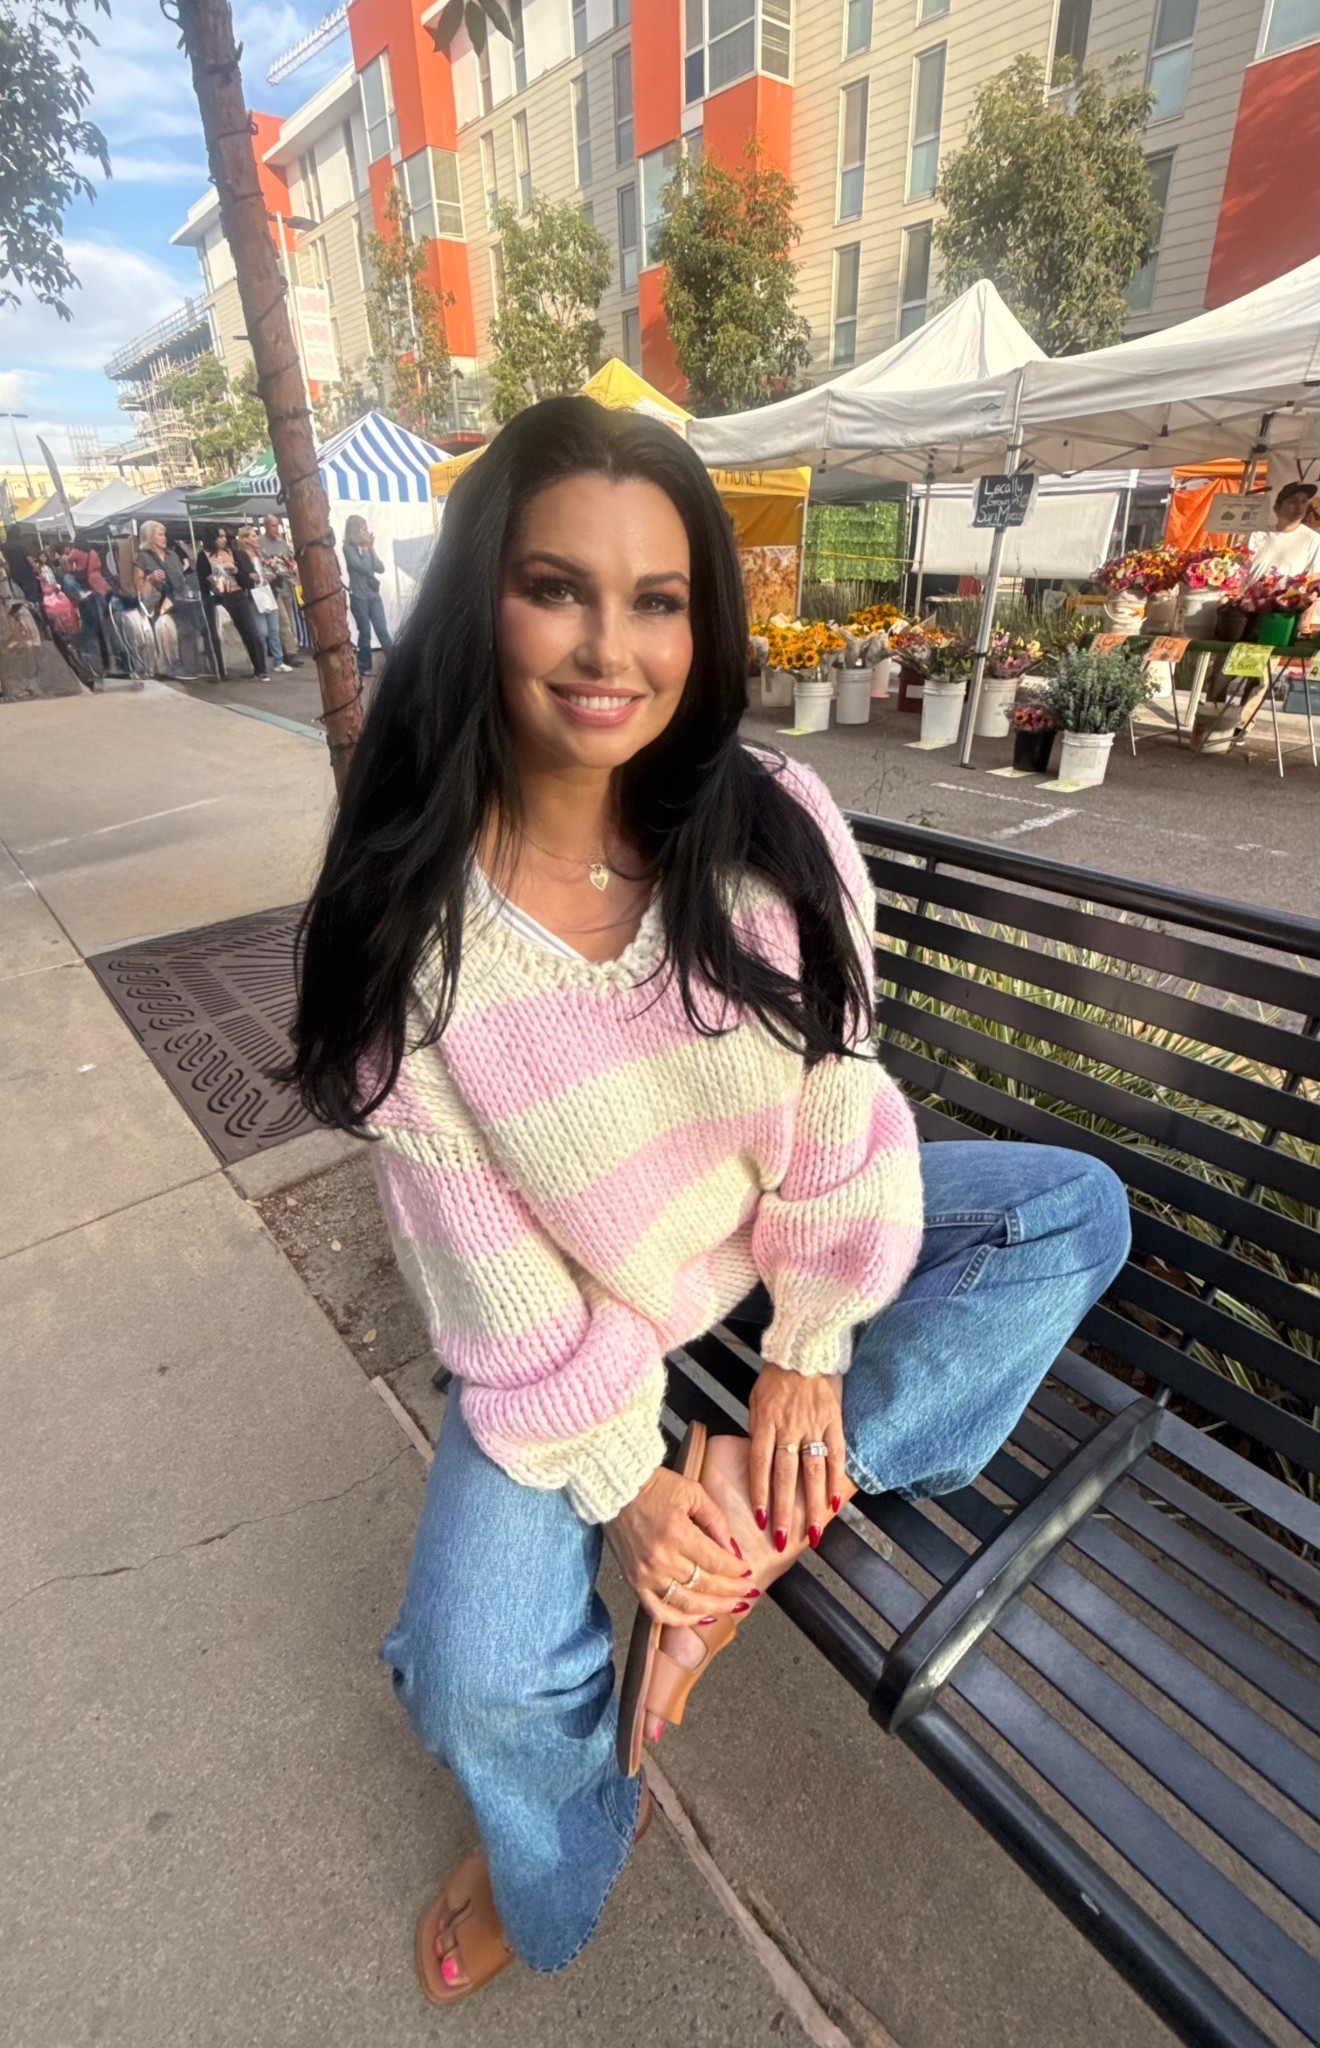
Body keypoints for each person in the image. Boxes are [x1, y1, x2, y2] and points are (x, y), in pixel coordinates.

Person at [284, 397, 1130, 2007]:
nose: (613, 647)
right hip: (573, 1324)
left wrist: (810, 1341)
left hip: (773, 1244)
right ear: (483, 601)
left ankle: (757, 1512)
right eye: (559, 587)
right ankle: (563, 1834)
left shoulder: (771, 827)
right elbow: (491, 1287)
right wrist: (629, 1488)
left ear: (701, 620)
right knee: (474, 1678)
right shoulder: (413, 933)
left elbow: (836, 1099)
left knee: (1070, 1214)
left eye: (657, 599)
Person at [195, 523, 269, 681]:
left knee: (251, 632)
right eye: (219, 536)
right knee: (221, 635)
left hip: (238, 595)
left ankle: (260, 668)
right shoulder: (204, 556)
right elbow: (202, 582)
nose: (223, 540)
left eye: (224, 536)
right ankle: (221, 669)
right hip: (219, 599)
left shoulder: (234, 553)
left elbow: (247, 579)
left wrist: (237, 571)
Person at [134, 520, 205, 679]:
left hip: (180, 600)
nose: (164, 538)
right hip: (158, 603)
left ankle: (191, 664)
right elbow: (138, 586)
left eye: (164, 534)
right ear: (150, 537)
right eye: (160, 534)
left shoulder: (173, 555)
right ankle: (174, 665)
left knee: (191, 625)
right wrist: (150, 578)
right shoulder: (143, 557)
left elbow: (183, 578)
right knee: (172, 627)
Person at [238, 523, 293, 674]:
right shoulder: (242, 556)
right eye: (254, 536)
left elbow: (274, 570)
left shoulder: (262, 553)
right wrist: (250, 577)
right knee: (262, 632)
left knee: (274, 629)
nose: (257, 539)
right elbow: (241, 575)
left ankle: (278, 661)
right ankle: (261, 663)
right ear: (245, 539)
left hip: (269, 592)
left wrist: (274, 574)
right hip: (255, 594)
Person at [342, 513, 391, 678]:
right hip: (359, 596)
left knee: (382, 631)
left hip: (373, 595)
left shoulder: (367, 547)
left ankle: (394, 661)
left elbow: (380, 568)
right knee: (365, 633)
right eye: (363, 528)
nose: (366, 531)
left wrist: (371, 549)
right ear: (355, 530)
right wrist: (365, 549)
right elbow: (362, 567)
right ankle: (364, 665)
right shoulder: (348, 548)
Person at [1244, 481, 1320, 584]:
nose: (1299, 506)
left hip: (1288, 599)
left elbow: (1314, 581)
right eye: (1293, 501)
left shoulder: (1315, 541)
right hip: (1248, 598)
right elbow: (1239, 572)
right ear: (1277, 509)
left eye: (1304, 502)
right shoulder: (1257, 534)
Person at [258, 511, 303, 664]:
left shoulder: (282, 542)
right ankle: (291, 652)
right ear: (265, 526)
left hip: (285, 585)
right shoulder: (260, 542)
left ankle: (283, 651)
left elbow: (290, 561)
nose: (276, 529)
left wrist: (291, 567)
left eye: (277, 525)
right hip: (271, 588)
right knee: (282, 621)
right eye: (273, 525)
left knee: (288, 621)